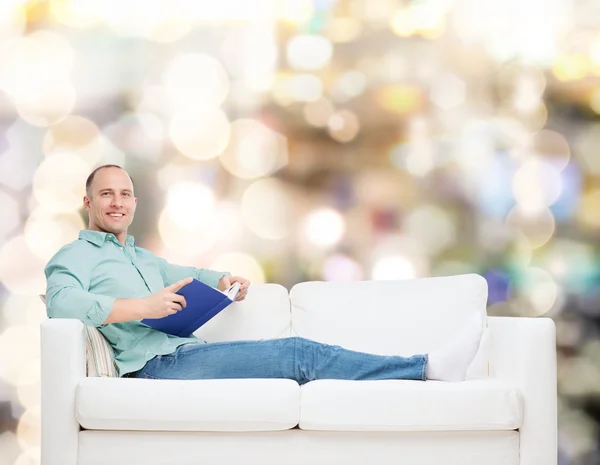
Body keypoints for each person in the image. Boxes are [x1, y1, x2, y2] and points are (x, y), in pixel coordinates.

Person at [44, 164, 483, 383]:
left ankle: (423, 367)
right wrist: (144, 306)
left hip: (181, 353)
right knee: (297, 354)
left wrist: (222, 281)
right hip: (154, 367)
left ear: (135, 203)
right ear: (89, 203)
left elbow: (189, 270)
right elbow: (63, 303)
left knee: (295, 353)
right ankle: (426, 368)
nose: (117, 202)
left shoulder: (142, 258)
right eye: (106, 194)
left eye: (125, 194)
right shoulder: (74, 255)